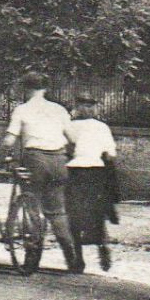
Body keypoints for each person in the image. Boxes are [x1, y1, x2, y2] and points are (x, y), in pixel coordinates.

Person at [0, 71, 84, 273]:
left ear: (25, 88)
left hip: (35, 160)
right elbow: (73, 138)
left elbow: (9, 140)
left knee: (32, 207)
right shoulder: (59, 110)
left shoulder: (22, 110)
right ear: (45, 89)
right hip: (59, 160)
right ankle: (72, 258)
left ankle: (32, 258)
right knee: (57, 212)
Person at [65, 95, 120, 271]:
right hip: (95, 172)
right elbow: (111, 154)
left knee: (73, 214)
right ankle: (101, 245)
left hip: (74, 172)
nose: (88, 109)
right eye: (86, 106)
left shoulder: (69, 126)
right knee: (97, 212)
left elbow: (66, 148)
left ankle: (79, 258)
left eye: (90, 106)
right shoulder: (102, 127)